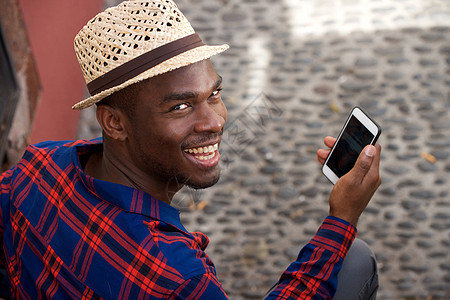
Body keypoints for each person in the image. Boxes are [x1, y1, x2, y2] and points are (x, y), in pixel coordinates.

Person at [0, 0, 381, 299]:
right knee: (355, 260)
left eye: (214, 93)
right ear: (114, 123)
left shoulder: (37, 165)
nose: (214, 122)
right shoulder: (176, 277)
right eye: (180, 107)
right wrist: (342, 218)